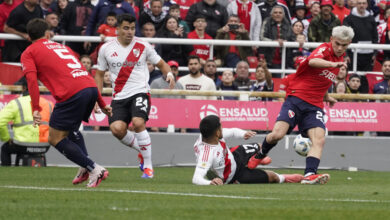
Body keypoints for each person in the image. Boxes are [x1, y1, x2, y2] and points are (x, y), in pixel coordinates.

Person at [247, 26, 355, 185]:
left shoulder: (340, 58)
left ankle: (309, 174)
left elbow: (323, 80)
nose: (340, 48)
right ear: (331, 39)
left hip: (315, 106)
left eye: (344, 45)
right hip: (296, 98)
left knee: (319, 140)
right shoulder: (324, 50)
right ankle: (260, 154)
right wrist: (333, 64)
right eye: (337, 44)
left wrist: (327, 97)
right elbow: (313, 61)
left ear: (349, 44)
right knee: (277, 135)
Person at [21, 18, 112, 187]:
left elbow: (32, 82)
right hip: (90, 87)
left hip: (72, 93)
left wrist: (35, 108)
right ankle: (85, 167)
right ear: (47, 34)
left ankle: (93, 168)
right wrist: (100, 101)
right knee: (69, 130)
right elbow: (81, 71)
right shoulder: (62, 47)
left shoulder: (29, 52)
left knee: (55, 138)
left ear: (28, 37)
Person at [95, 14, 175, 179]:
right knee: (117, 129)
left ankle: (148, 166)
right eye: (126, 28)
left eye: (132, 28)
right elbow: (99, 74)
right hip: (119, 96)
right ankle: (142, 149)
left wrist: (169, 75)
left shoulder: (143, 45)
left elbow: (162, 64)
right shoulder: (106, 48)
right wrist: (97, 98)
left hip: (140, 91)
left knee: (138, 123)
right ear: (117, 29)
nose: (130, 32)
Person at [192, 115, 304, 185]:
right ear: (216, 132)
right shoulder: (206, 154)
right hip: (234, 175)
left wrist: (243, 134)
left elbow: (233, 131)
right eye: (221, 126)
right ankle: (287, 177)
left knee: (261, 146)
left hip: (234, 155)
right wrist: (210, 183)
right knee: (273, 177)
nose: (223, 128)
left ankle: (255, 159)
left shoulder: (210, 135)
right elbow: (196, 178)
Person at [0, 78, 53, 166]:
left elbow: (0, 122)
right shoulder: (49, 103)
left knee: (5, 149)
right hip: (44, 146)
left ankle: (7, 171)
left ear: (23, 88)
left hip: (22, 145)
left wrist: (7, 138)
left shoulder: (16, 103)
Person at [344, 0, 377, 72]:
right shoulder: (348, 19)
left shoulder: (371, 19)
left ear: (367, 5)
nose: (361, 5)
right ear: (356, 4)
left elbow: (375, 37)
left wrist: (375, 53)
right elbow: (344, 38)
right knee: (353, 76)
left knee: (367, 77)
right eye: (359, 3)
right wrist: (346, 54)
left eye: (364, 3)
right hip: (353, 53)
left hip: (369, 54)